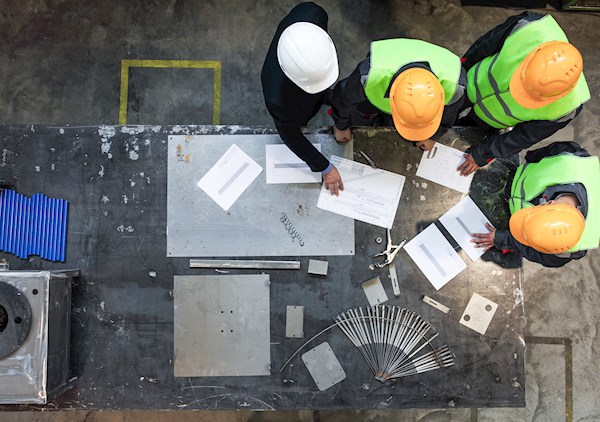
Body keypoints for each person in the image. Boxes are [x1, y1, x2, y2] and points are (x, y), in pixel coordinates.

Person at [457, 12, 590, 176]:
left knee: (467, 130)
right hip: (472, 81)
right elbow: (484, 45)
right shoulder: (529, 28)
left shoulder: (567, 108)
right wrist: (460, 72)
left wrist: (482, 154)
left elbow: (522, 137)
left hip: (491, 118)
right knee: (448, 108)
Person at [471, 141, 599, 267]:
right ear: (549, 202)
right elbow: (538, 155)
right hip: (513, 177)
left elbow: (539, 254)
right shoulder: (570, 158)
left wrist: (504, 238)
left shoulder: (566, 248)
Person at [261, 2, 343, 195]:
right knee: (302, 118)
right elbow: (291, 136)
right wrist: (325, 167)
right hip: (293, 101)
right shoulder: (279, 99)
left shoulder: (314, 13)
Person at [329, 38, 466, 151]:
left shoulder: (455, 86)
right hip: (371, 99)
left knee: (391, 127)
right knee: (360, 119)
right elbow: (343, 98)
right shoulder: (370, 76)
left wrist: (431, 136)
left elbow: (448, 117)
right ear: (391, 98)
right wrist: (341, 126)